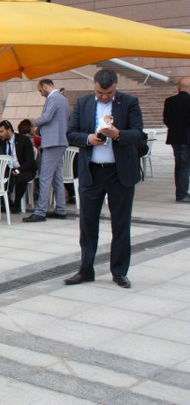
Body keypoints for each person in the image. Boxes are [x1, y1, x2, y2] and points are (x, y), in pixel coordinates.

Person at [64, 69, 143, 289]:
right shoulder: (84, 103)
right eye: (100, 92)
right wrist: (88, 138)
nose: (105, 96)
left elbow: (138, 133)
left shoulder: (129, 102)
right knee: (87, 223)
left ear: (116, 87)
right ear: (94, 86)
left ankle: (119, 271)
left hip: (119, 173)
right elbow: (70, 133)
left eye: (109, 93)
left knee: (121, 224)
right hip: (92, 172)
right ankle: (86, 269)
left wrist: (119, 134)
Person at [24, 79, 70, 222]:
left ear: (45, 86)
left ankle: (40, 211)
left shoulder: (53, 98)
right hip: (59, 141)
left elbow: (46, 117)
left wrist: (33, 121)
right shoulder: (62, 99)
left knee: (44, 177)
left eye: (40, 90)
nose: (41, 93)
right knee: (57, 178)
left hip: (52, 142)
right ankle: (61, 209)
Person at [0, 119, 36, 214]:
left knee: (20, 179)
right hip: (8, 169)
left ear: (9, 130)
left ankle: (17, 204)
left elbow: (30, 162)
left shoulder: (24, 140)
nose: (0, 134)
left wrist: (18, 170)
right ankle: (6, 202)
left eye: (1, 131)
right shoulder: (0, 142)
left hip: (24, 169)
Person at [163, 76, 190, 203]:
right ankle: (181, 194)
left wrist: (174, 128)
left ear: (179, 87)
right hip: (187, 138)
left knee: (179, 164)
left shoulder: (169, 101)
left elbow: (166, 119)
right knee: (185, 165)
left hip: (174, 137)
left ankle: (181, 191)